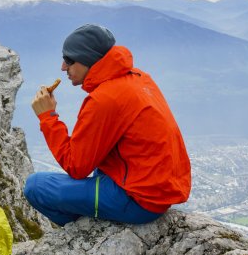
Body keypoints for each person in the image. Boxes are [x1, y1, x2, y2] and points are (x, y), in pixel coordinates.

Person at [24, 24, 191, 226]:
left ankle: (84, 230)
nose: (63, 67)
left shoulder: (105, 99)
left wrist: (47, 117)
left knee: (35, 187)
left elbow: (76, 167)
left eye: (69, 60)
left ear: (88, 60)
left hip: (137, 200)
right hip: (156, 188)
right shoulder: (138, 78)